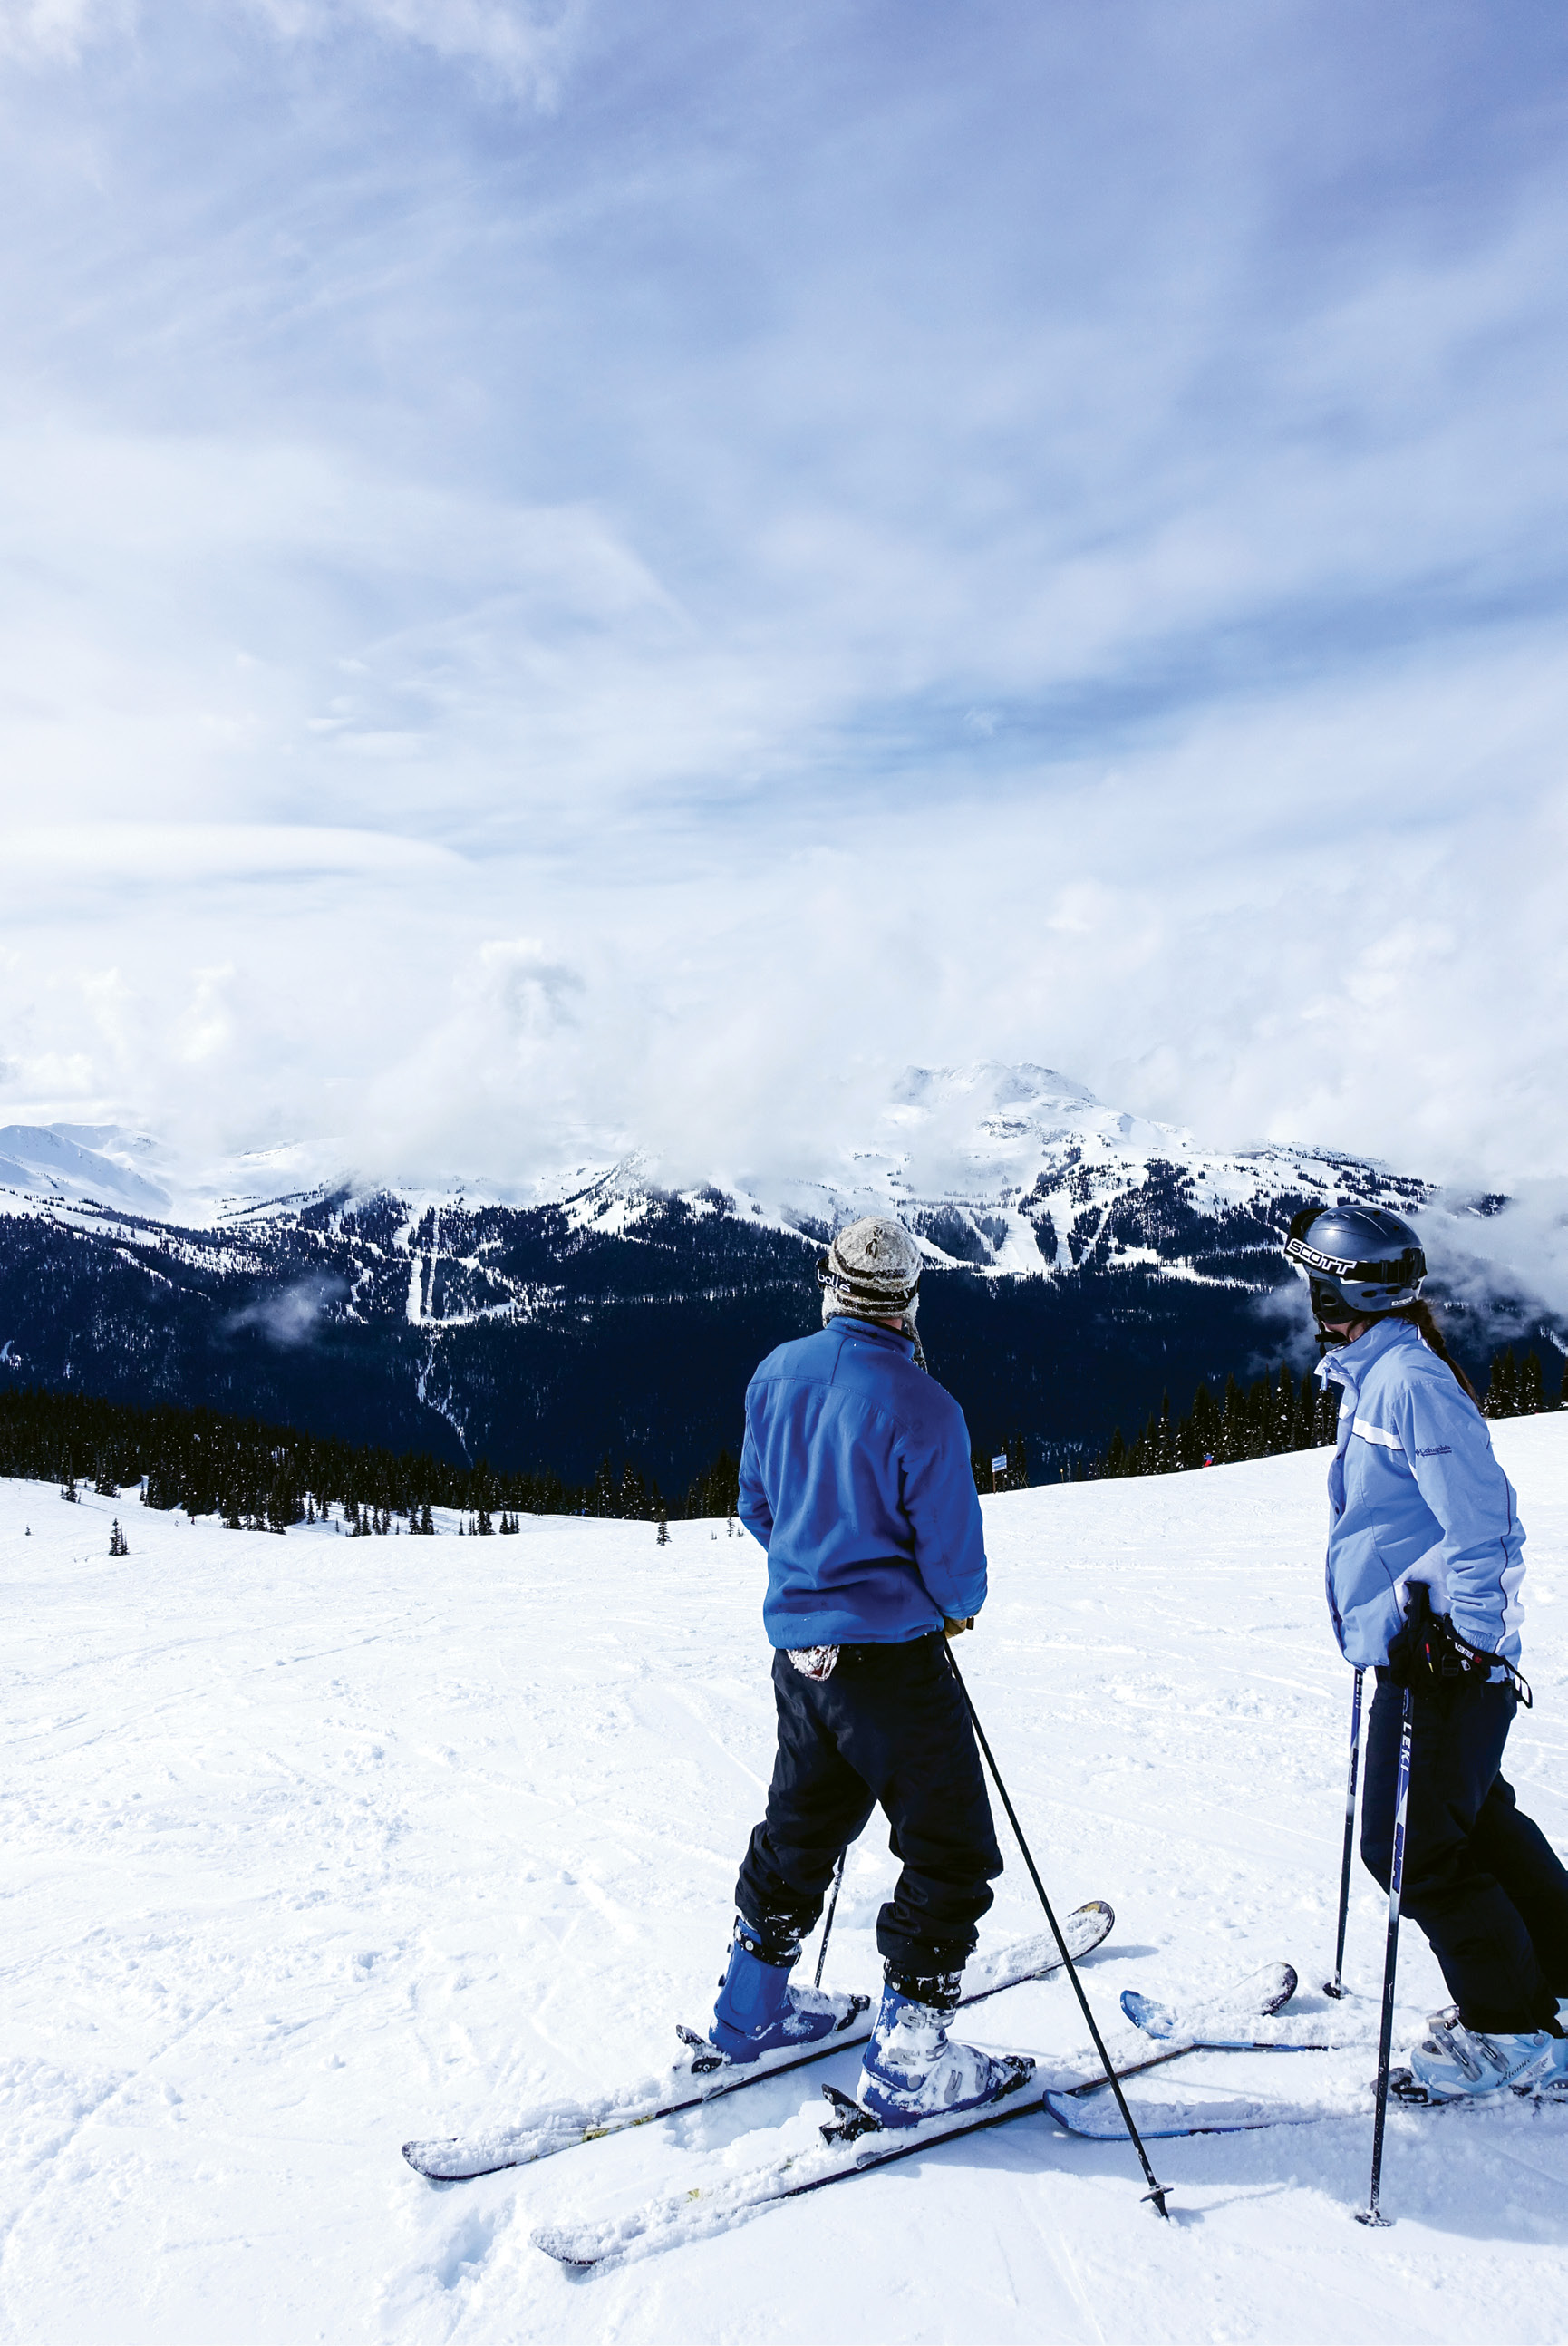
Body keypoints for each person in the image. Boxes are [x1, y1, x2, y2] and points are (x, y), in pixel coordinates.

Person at [708, 1214, 1032, 2125]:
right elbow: (954, 1560)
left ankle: (749, 2008)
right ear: (907, 1300)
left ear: (829, 1282)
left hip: (798, 1652)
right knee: (948, 1845)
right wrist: (945, 1605)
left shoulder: (775, 1370)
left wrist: (815, 1576)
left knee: (801, 1822)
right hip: (891, 1660)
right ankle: (909, 2061)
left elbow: (756, 1504)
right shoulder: (922, 1403)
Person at [1286, 1204, 1568, 2100]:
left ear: (1337, 1290)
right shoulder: (1376, 1372)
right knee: (1473, 1819)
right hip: (1421, 1646)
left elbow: (1482, 1525)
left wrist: (1465, 1642)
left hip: (1438, 1660)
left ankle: (1509, 2032)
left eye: (1314, 1279)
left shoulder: (1405, 1380)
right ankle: (1547, 1986)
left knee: (1407, 1849)